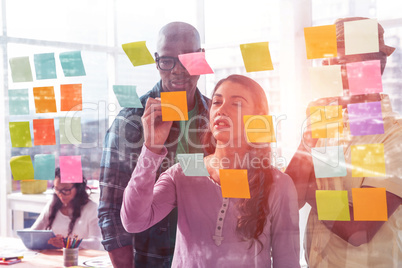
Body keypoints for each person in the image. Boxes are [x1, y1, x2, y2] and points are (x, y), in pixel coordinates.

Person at [121, 75, 300, 267]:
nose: (222, 110)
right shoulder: (186, 171)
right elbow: (133, 221)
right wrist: (152, 147)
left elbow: (287, 261)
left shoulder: (278, 183)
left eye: (237, 104)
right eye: (217, 102)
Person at [286, 17, 402, 267]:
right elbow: (290, 200)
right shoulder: (326, 123)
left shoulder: (394, 135)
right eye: (327, 63)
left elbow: (357, 229)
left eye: (339, 63)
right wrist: (309, 137)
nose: (329, 73)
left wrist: (311, 192)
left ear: (373, 66)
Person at [98, 22, 210, 267]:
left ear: (201, 57)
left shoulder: (217, 116)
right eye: (168, 61)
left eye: (187, 59)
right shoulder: (131, 120)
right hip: (152, 259)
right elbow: (110, 211)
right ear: (157, 61)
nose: (178, 71)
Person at [31, 167, 102, 250]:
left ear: (78, 188)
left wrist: (68, 243)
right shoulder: (52, 205)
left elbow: (96, 244)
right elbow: (32, 233)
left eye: (66, 190)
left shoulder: (92, 208)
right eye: (57, 189)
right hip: (55, 257)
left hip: (80, 259)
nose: (61, 194)